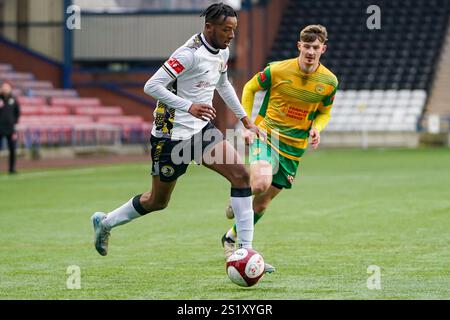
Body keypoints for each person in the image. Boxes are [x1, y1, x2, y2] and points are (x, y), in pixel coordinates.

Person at [91, 3, 273, 272]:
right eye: (226, 30)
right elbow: (151, 85)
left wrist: (244, 118)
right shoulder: (189, 54)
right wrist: (188, 106)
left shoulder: (222, 51)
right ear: (209, 28)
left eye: (234, 30)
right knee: (157, 201)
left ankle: (245, 250)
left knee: (241, 176)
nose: (231, 35)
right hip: (170, 138)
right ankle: (105, 222)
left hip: (200, 132)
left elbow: (223, 84)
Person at [221, 25, 339, 270]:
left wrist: (318, 127)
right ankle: (241, 205)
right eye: (306, 46)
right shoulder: (277, 70)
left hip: (295, 148)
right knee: (260, 184)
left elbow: (325, 112)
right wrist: (248, 123)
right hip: (267, 135)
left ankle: (230, 237)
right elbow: (250, 87)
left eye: (315, 47)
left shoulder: (329, 82)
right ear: (299, 46)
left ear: (322, 49)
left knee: (262, 204)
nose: (310, 51)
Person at [0, 81, 20, 174]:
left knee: (12, 149)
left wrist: (14, 122)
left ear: (10, 88)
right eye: (3, 87)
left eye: (7, 87)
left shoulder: (14, 100)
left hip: (10, 128)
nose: (5, 88)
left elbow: (17, 113)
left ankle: (12, 168)